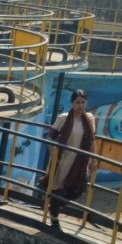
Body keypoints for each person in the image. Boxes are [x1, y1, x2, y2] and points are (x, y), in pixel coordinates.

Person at [42, 90, 95, 232]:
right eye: (77, 102)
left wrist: (94, 160)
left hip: (80, 161)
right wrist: (54, 157)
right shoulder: (64, 118)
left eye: (83, 102)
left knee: (77, 189)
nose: (80, 105)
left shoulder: (89, 119)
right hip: (63, 160)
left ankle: (55, 207)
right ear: (72, 103)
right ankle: (54, 217)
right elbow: (49, 138)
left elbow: (92, 141)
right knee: (58, 188)